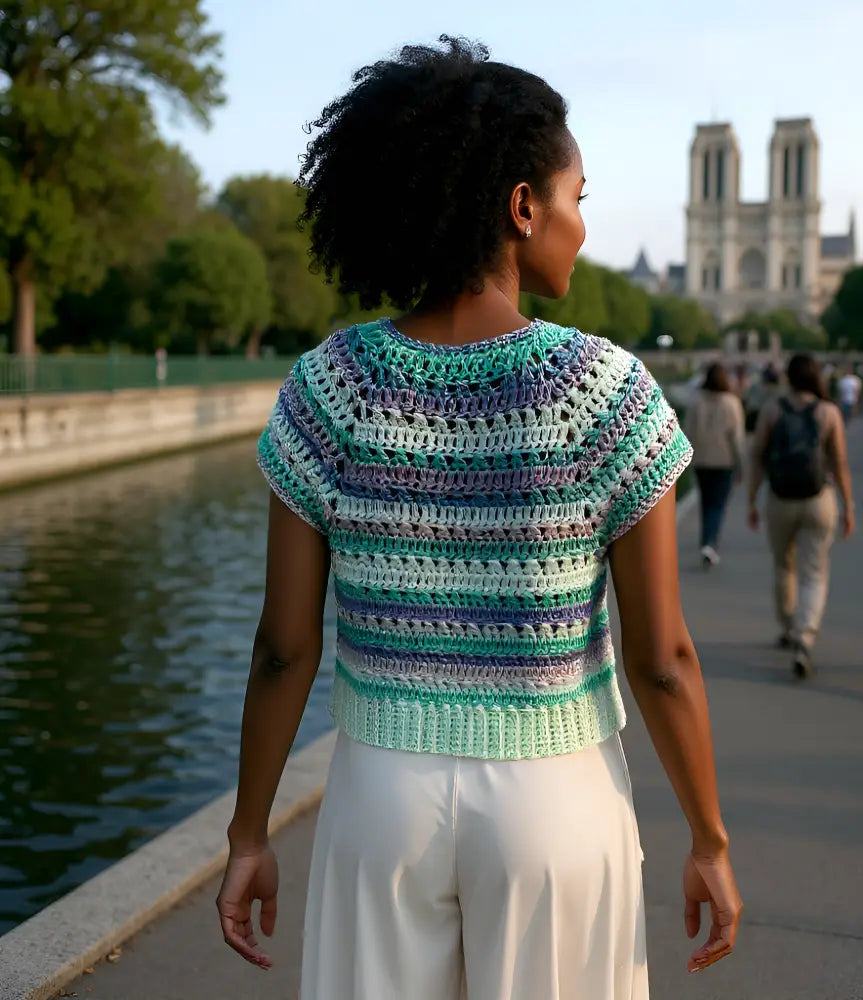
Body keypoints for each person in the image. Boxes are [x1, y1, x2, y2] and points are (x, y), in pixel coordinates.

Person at [214, 37, 741, 1000]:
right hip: (556, 799)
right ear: (522, 205)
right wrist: (708, 836)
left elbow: (283, 651)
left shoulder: (327, 387)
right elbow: (662, 656)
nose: (583, 223)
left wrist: (249, 833)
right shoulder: (608, 393)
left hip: (380, 798)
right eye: (578, 196)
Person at [747, 354, 854, 678]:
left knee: (784, 565)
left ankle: (789, 626)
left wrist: (751, 500)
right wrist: (849, 506)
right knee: (814, 571)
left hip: (780, 499)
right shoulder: (829, 412)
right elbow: (840, 462)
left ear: (788, 378)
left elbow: (758, 457)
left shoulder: (772, 410)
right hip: (818, 498)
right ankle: (806, 635)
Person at [684, 362, 745, 567]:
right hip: (723, 461)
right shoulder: (731, 403)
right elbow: (736, 437)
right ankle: (710, 542)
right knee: (717, 505)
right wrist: (740, 465)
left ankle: (706, 540)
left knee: (706, 503)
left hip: (701, 460)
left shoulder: (696, 402)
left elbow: (687, 432)